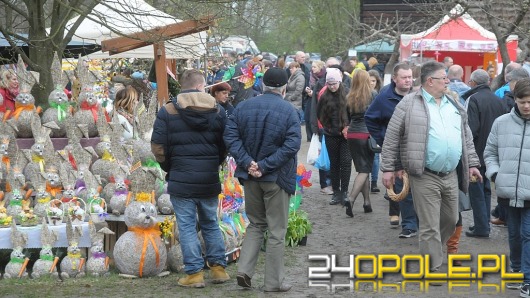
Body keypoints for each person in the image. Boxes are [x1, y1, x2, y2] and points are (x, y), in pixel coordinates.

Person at [381, 61, 482, 271]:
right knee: (428, 225)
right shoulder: (409, 103)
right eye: (443, 78)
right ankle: (431, 266)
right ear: (430, 81)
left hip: (451, 173)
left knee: (451, 218)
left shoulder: (454, 103)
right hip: (424, 174)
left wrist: (472, 163)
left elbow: (466, 136)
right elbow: (391, 136)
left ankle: (433, 248)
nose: (447, 81)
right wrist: (388, 168)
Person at [224, 67, 301, 292]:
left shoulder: (243, 106)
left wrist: (249, 162)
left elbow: (231, 136)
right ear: (284, 88)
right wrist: (264, 165)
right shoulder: (289, 111)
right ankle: (273, 282)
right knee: (277, 230)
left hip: (251, 176)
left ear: (263, 85)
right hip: (275, 177)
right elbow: (292, 145)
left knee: (256, 224)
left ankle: (244, 271)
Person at [151, 69, 229, 288]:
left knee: (186, 226)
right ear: (200, 86)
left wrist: (169, 167)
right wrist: (216, 163)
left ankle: (194, 273)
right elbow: (225, 144)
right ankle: (218, 269)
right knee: (211, 223)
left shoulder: (167, 111)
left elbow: (157, 147)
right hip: (208, 178)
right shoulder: (218, 111)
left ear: (183, 86)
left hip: (180, 177)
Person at [484, 78, 530, 295]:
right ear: (515, 100)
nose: (526, 105)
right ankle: (517, 270)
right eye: (522, 101)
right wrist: (495, 174)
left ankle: (528, 279)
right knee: (513, 233)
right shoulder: (501, 123)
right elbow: (490, 152)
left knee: (527, 232)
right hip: (507, 189)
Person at [365, 63, 418, 237]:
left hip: (417, 147)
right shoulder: (384, 97)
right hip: (396, 149)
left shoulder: (419, 95)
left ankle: (420, 222)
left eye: (410, 77)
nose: (408, 80)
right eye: (404, 77)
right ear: (394, 79)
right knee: (402, 184)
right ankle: (409, 224)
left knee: (419, 185)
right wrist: (384, 138)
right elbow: (370, 119)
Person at [344, 70, 376, 217]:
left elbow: (347, 117)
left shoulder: (349, 96)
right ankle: (351, 199)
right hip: (366, 134)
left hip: (352, 134)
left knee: (362, 168)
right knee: (365, 170)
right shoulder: (372, 94)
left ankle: (367, 202)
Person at [317, 67, 352, 205]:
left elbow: (353, 113)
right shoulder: (324, 96)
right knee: (334, 164)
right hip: (331, 134)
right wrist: (328, 127)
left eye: (334, 84)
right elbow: (319, 114)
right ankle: (336, 192)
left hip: (345, 135)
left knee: (346, 162)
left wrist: (347, 126)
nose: (332, 87)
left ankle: (344, 192)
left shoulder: (348, 94)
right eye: (329, 84)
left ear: (340, 81)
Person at [367, 70, 382, 193]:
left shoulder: (379, 94)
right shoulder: (361, 94)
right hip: (364, 128)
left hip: (375, 128)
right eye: (369, 81)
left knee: (376, 156)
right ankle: (365, 182)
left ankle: (374, 182)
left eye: (373, 81)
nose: (371, 83)